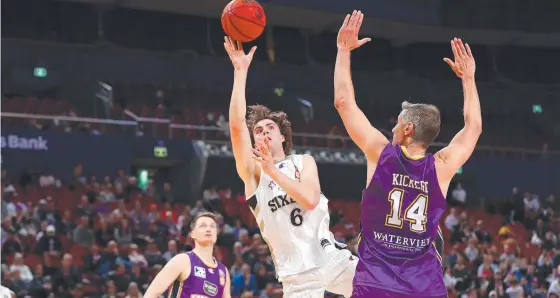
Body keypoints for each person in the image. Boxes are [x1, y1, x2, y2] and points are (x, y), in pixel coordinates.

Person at [334, 11, 481, 298]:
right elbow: (473, 127)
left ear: (409, 128)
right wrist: (469, 79)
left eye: (398, 122)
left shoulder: (379, 152)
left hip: (375, 284)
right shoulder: (442, 167)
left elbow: (343, 101)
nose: (393, 126)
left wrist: (342, 51)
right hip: (423, 287)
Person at [223, 36, 357, 298]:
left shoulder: (303, 162)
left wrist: (274, 171)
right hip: (296, 276)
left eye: (270, 128)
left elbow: (308, 199)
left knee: (389, 289)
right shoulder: (253, 173)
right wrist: (240, 72)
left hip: (330, 258)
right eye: (258, 131)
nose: (264, 133)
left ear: (282, 136)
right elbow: (237, 125)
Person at [144, 212, 231, 298]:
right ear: (193, 234)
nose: (208, 229)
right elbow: (151, 294)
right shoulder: (182, 260)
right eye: (203, 226)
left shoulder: (223, 271)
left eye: (212, 226)